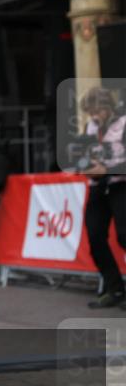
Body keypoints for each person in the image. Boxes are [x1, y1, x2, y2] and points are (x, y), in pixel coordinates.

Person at [76, 88, 126, 308]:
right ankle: (114, 288)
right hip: (97, 187)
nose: (93, 116)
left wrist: (105, 168)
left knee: (124, 236)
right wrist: (82, 164)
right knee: (95, 237)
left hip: (120, 185)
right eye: (89, 112)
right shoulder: (90, 127)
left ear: (107, 107)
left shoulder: (123, 123)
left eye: (96, 111)